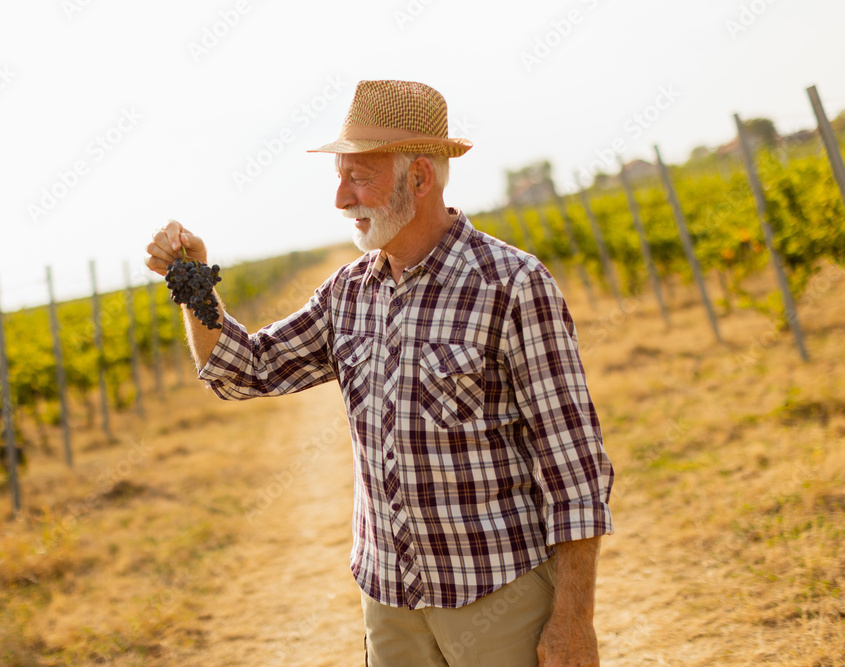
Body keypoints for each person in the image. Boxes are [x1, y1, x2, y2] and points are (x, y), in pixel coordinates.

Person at [145, 80, 613, 667]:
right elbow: (243, 370)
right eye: (338, 177)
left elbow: (574, 468)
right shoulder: (348, 293)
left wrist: (574, 619)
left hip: (498, 595)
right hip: (389, 604)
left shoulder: (511, 284)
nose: (340, 198)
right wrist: (193, 284)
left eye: (358, 177)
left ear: (419, 178)